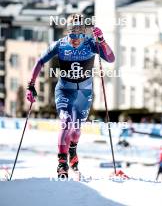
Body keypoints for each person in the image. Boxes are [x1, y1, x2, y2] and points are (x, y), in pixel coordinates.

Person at [26, 13, 115, 178]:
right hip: (65, 90)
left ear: (84, 34)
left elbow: (110, 58)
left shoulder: (91, 44)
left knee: (76, 130)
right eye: (72, 35)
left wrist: (102, 41)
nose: (75, 39)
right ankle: (62, 163)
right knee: (66, 122)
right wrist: (30, 85)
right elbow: (39, 62)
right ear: (68, 32)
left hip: (84, 92)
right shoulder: (60, 45)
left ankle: (73, 149)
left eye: (79, 35)